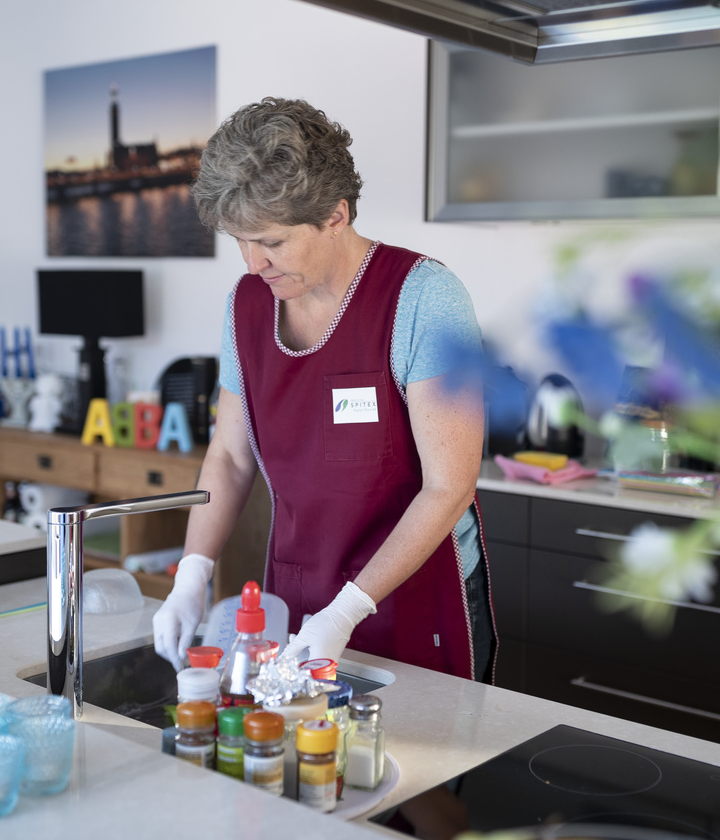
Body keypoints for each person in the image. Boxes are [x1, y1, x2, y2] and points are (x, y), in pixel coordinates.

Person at [152, 97, 495, 682]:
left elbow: (450, 486)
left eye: (274, 242)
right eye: (239, 239)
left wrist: (346, 613)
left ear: (336, 215)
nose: (254, 261)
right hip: (297, 594)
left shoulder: (422, 298)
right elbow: (231, 457)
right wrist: (193, 571)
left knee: (416, 770)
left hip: (413, 597)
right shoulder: (247, 305)